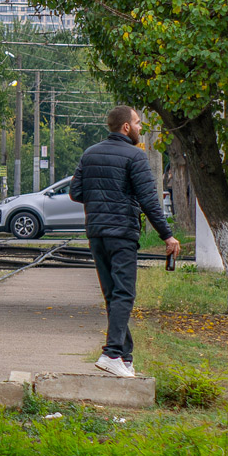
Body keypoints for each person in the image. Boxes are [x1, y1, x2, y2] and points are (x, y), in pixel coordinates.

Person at [71, 105, 180, 378]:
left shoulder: (89, 153)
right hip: (121, 234)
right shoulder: (136, 156)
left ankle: (125, 358)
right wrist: (167, 235)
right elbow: (149, 200)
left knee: (113, 295)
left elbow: (75, 192)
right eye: (138, 123)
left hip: (96, 233)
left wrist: (101, 199)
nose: (141, 127)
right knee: (124, 294)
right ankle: (111, 354)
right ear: (126, 127)